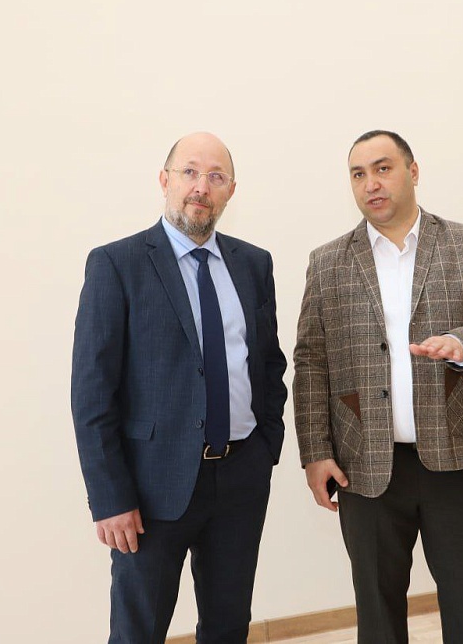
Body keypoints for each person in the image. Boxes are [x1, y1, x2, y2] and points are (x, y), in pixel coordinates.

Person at [293, 130, 463, 643]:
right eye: (358, 174)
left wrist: (462, 342)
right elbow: (310, 360)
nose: (371, 184)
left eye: (383, 168)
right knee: (377, 614)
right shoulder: (328, 262)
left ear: (412, 171)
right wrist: (315, 452)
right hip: (364, 465)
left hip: (453, 457)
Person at [71, 132, 287, 644]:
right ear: (164, 180)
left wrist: (265, 448)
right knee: (138, 632)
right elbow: (92, 393)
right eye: (189, 172)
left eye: (215, 176)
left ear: (231, 190)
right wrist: (109, 497)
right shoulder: (117, 264)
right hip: (150, 489)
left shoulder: (254, 264)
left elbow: (268, 364)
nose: (201, 187)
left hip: (240, 479)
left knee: (228, 627)